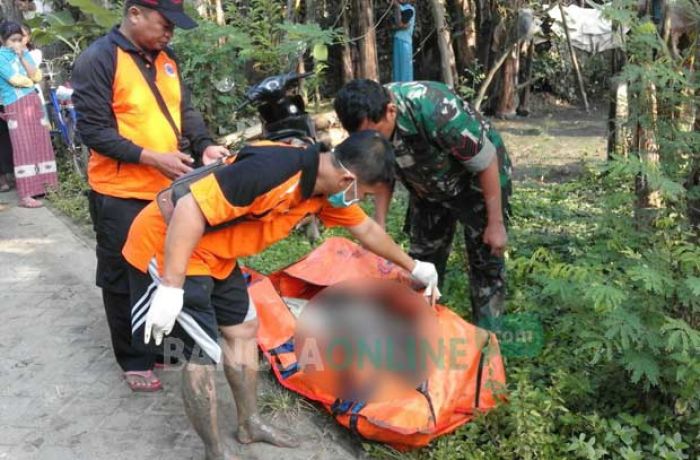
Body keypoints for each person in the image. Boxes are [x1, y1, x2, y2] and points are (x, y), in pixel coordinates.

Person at [121, 131, 440, 459]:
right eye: (364, 193)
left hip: (215, 254)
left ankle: (249, 423)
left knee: (243, 329)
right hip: (169, 245)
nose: (360, 200)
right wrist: (172, 287)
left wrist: (414, 266)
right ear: (348, 178)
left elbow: (367, 230)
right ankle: (215, 451)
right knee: (200, 355)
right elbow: (189, 208)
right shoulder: (272, 170)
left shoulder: (322, 190)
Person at [72, 0, 229, 392]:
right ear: (135, 13)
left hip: (167, 192)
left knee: (167, 269)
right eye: (164, 24)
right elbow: (93, 130)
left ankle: (161, 345)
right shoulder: (98, 59)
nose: (170, 33)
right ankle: (134, 359)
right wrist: (150, 157)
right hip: (119, 192)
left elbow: (184, 110)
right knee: (123, 277)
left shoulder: (167, 58)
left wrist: (205, 144)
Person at [334, 79, 513, 323]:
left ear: (391, 112)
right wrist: (380, 226)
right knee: (421, 261)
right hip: (426, 188)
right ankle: (421, 328)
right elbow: (383, 172)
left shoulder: (436, 108)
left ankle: (488, 342)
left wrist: (496, 223)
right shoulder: (372, 123)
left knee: (486, 263)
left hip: (475, 184)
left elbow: (486, 161)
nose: (369, 141)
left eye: (373, 133)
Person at [0, 20, 57, 208]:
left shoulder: (25, 54)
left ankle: (47, 187)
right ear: (2, 40)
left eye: (19, 39)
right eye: (13, 40)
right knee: (23, 147)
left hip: (33, 102)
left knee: (41, 143)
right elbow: (15, 80)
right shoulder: (1, 57)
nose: (17, 44)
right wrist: (30, 80)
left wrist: (23, 58)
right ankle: (26, 194)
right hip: (15, 105)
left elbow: (37, 76)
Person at [391, 0, 415, 82]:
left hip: (405, 42)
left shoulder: (409, 9)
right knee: (397, 68)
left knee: (405, 70)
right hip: (398, 39)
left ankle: (406, 90)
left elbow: (401, 24)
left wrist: (397, 6)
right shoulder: (400, 8)